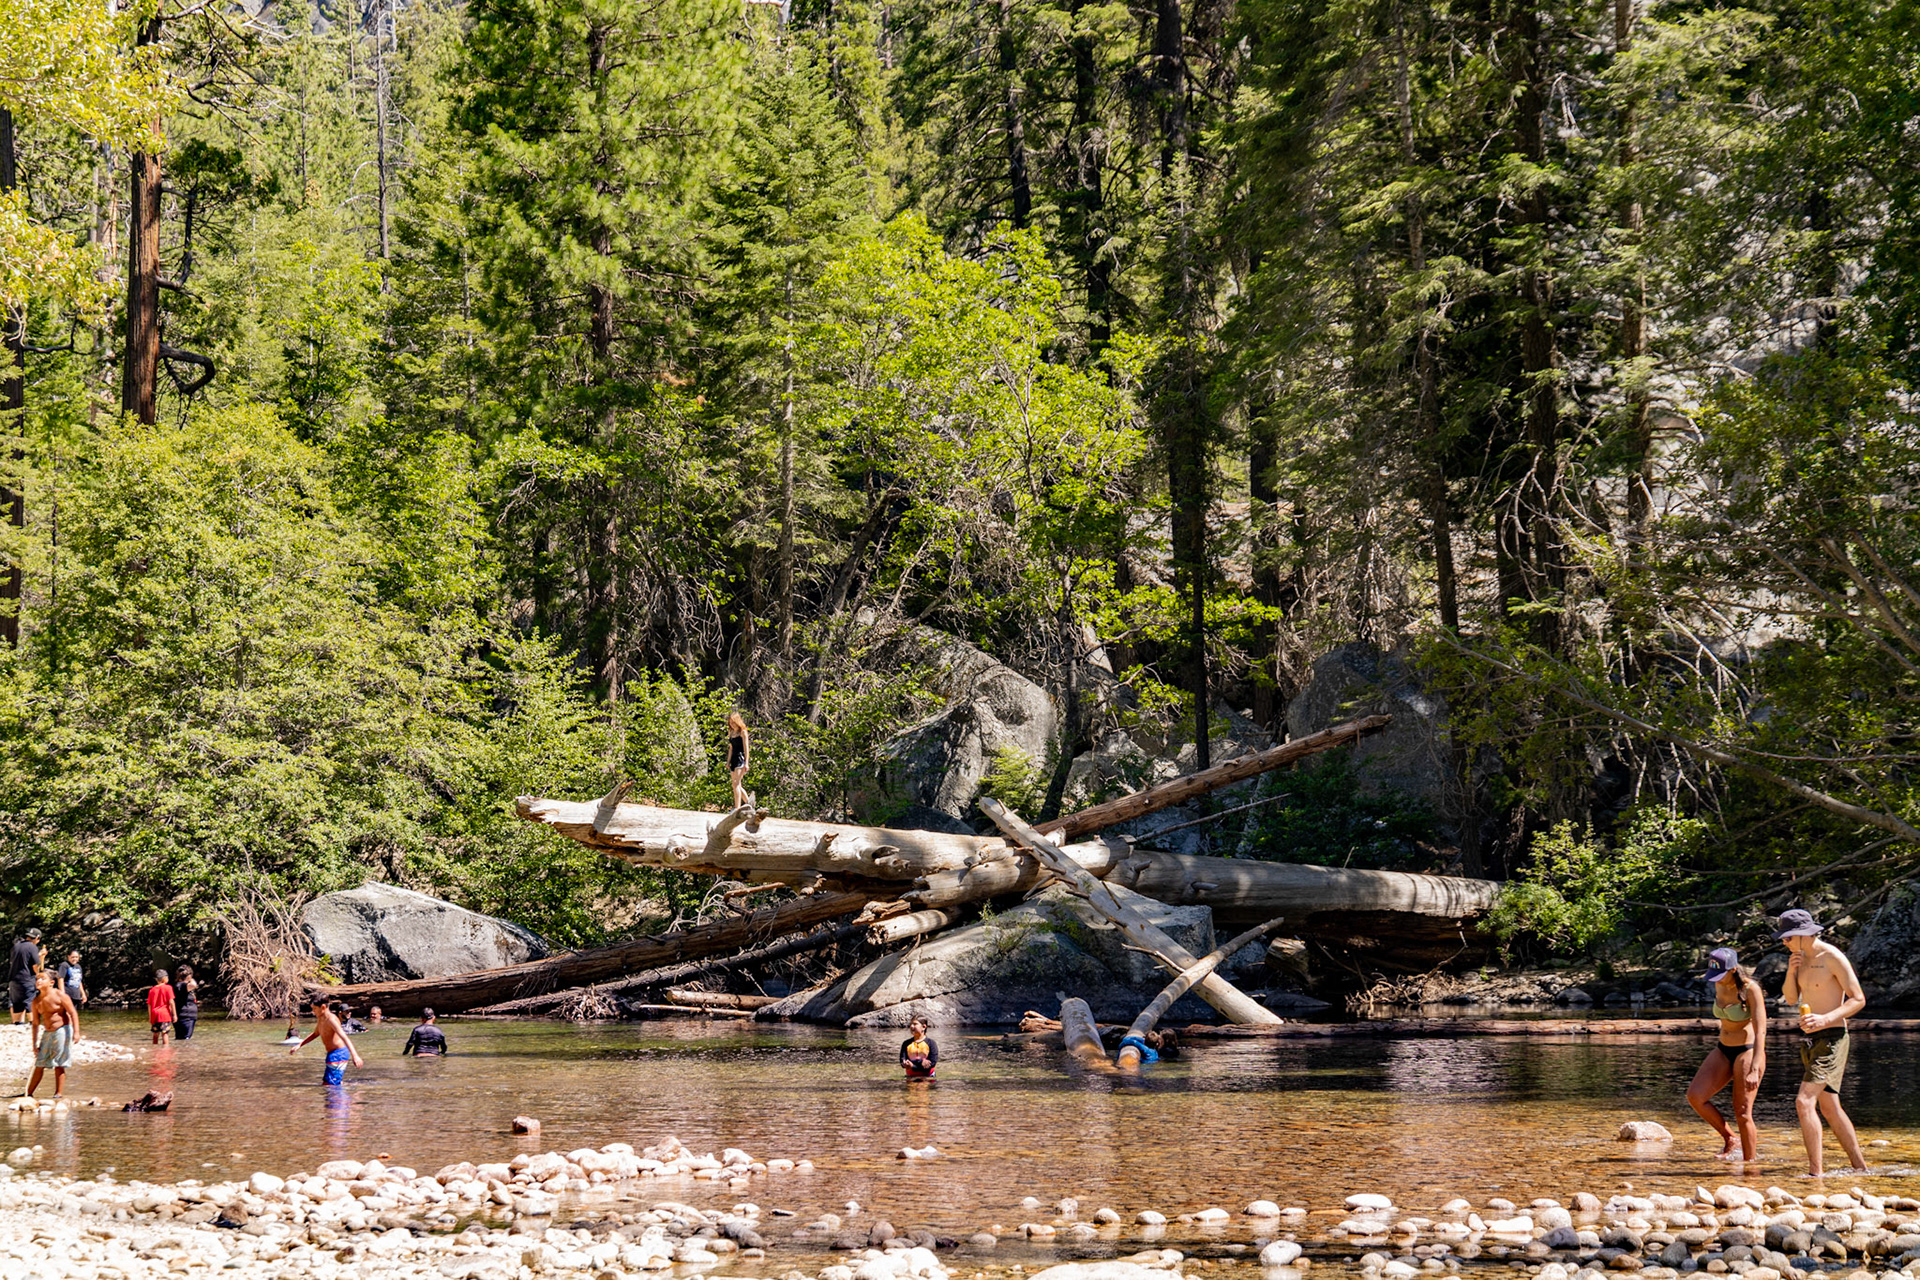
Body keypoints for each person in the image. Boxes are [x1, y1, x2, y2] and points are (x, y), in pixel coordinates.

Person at [1778, 908, 1870, 1177]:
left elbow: (1858, 999)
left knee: (1804, 1102)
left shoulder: (1831, 957)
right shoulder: (1799, 958)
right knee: (1829, 1106)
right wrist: (1790, 971)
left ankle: (1815, 1174)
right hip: (1811, 1039)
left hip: (1832, 1037)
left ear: (1802, 934)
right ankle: (1861, 1168)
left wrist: (1825, 1018)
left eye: (1786, 938)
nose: (1783, 942)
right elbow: (1792, 999)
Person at [1685, 946, 1767, 1161]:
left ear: (1733, 969)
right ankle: (1731, 1139)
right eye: (1714, 976)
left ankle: (1750, 1167)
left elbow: (1761, 1029)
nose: (1717, 980)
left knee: (1742, 1112)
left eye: (1721, 975)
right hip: (1723, 1048)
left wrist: (1756, 1065)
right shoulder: (1718, 984)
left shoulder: (1750, 989)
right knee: (1695, 1096)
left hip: (1747, 1051)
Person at [26, 972, 80, 1099]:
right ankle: (28, 1093)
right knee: (40, 1062)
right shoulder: (36, 1000)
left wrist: (76, 1032)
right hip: (47, 1032)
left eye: (42, 978)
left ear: (51, 982)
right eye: (37, 979)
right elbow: (35, 1023)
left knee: (59, 1063)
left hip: (62, 1030)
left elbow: (73, 1012)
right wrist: (34, 1044)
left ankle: (58, 1093)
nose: (38, 981)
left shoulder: (60, 995)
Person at [292, 996, 363, 1085]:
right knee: (327, 1083)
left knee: (332, 1085)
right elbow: (315, 1033)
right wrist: (300, 1045)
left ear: (323, 1007)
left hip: (339, 1054)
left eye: (314, 1009)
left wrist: (355, 1056)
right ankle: (346, 1091)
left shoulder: (331, 1020)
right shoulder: (321, 1018)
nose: (313, 1011)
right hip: (331, 1054)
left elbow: (344, 1037)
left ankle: (345, 1098)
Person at [9, 927, 43, 1025]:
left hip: (13, 979)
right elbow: (36, 965)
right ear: (37, 938)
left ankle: (17, 1024)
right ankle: (33, 1023)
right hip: (27, 978)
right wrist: (38, 975)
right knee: (30, 1000)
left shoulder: (16, 946)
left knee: (17, 1002)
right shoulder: (32, 947)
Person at [725, 712, 752, 809]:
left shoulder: (743, 732)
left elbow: (746, 748)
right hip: (733, 759)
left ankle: (737, 808)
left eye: (733, 722)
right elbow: (731, 748)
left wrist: (747, 763)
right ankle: (749, 803)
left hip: (741, 759)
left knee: (736, 783)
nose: (732, 724)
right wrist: (728, 762)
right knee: (736, 785)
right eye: (730, 722)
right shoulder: (732, 733)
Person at [146, 969, 177, 1045]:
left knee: (155, 1034)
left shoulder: (152, 990)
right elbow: (171, 1002)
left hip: (154, 1014)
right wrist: (174, 1014)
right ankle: (165, 1050)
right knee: (165, 1033)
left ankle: (155, 1049)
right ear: (164, 978)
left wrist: (150, 1017)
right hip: (164, 1014)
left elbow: (149, 1005)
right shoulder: (168, 988)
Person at [171, 964, 199, 1042]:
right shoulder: (181, 985)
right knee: (186, 1039)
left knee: (180, 1038)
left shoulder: (179, 985)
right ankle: (185, 1053)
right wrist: (191, 978)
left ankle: (180, 1053)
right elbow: (194, 985)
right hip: (186, 1017)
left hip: (184, 1016)